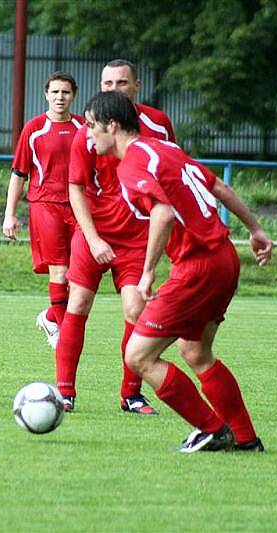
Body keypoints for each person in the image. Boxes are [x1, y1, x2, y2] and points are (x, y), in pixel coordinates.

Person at [83, 91, 273, 452]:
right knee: (196, 352)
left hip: (198, 266)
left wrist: (148, 272)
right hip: (224, 258)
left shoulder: (132, 163)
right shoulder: (165, 149)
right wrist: (256, 228)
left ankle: (212, 430)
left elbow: (163, 213)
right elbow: (217, 187)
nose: (88, 134)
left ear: (112, 125)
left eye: (92, 126)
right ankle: (246, 439)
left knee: (138, 356)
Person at [56, 59, 175, 414]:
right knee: (77, 304)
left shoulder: (157, 124)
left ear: (136, 86)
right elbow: (75, 187)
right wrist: (92, 239)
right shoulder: (87, 131)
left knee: (136, 309)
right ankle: (64, 393)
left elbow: (170, 174)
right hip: (94, 232)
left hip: (138, 237)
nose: (113, 89)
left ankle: (131, 395)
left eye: (121, 83)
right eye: (107, 83)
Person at [3, 71, 83, 350]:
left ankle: (50, 318)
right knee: (59, 273)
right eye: (55, 92)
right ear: (46, 95)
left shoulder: (84, 128)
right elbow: (18, 172)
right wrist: (9, 214)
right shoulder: (34, 128)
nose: (60, 97)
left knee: (80, 277)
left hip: (79, 207)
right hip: (44, 206)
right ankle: (67, 338)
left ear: (74, 96)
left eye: (66, 92)